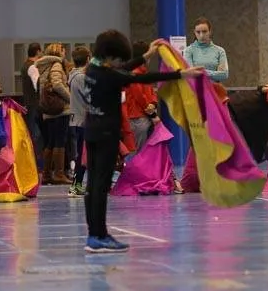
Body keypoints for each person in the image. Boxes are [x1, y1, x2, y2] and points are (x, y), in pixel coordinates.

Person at [83, 32, 203, 253]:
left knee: (92, 187)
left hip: (91, 132)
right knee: (100, 186)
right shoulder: (110, 76)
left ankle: (94, 234)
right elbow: (138, 78)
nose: (120, 62)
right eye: (118, 58)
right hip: (107, 135)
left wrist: (145, 56)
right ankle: (98, 236)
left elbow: (124, 69)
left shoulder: (93, 69)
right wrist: (181, 74)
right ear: (110, 56)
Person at [35, 43, 73, 186]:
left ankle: (46, 174)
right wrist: (71, 98)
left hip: (48, 109)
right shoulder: (57, 64)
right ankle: (58, 173)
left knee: (50, 142)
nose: (65, 53)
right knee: (60, 141)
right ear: (59, 52)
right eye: (63, 50)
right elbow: (57, 84)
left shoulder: (44, 65)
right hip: (60, 109)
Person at [67, 46, 91, 197]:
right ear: (88, 59)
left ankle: (78, 184)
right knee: (82, 155)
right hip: (82, 120)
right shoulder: (81, 78)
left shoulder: (73, 75)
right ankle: (75, 185)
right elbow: (89, 97)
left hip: (78, 119)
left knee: (83, 154)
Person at [184, 17, 229, 83]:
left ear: (210, 31)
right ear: (194, 32)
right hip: (195, 91)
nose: (201, 35)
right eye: (198, 32)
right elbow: (191, 74)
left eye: (204, 31)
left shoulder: (220, 51)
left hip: (214, 90)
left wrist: (202, 72)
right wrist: (215, 74)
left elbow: (224, 75)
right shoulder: (188, 51)